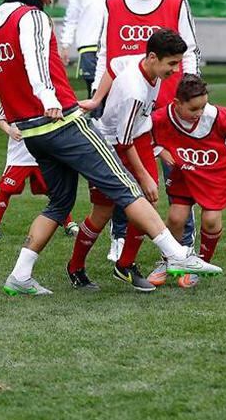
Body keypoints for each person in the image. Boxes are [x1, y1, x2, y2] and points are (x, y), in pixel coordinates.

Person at [0, 0, 220, 296]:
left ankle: (20, 276)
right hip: (59, 121)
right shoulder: (32, 17)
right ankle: (177, 254)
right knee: (124, 185)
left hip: (31, 132)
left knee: (59, 204)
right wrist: (48, 97)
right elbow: (34, 59)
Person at [93, 0, 201, 262]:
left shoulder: (176, 2)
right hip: (125, 106)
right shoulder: (113, 3)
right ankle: (120, 236)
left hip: (168, 108)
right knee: (123, 175)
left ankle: (184, 242)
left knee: (176, 173)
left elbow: (191, 50)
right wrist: (98, 96)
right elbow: (105, 53)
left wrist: (190, 93)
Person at [71, 29, 187, 292]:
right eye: (172, 63)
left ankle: (125, 265)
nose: (175, 70)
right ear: (153, 57)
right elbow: (124, 142)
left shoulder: (141, 62)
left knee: (148, 204)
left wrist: (96, 99)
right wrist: (143, 177)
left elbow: (113, 66)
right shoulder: (134, 91)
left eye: (178, 63)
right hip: (112, 145)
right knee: (102, 213)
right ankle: (75, 266)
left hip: (139, 138)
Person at [150, 75, 226, 288]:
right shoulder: (162, 117)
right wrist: (160, 150)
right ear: (177, 103)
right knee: (176, 218)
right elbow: (145, 135)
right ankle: (169, 260)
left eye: (203, 106)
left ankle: (200, 262)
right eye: (194, 109)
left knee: (211, 219)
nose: (200, 113)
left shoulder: (218, 117)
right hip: (185, 172)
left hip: (215, 172)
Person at [0, 105, 79, 240]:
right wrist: (10, 130)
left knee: (54, 190)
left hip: (43, 154)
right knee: (6, 189)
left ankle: (69, 224)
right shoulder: (12, 95)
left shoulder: (47, 95)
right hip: (19, 157)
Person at [59, 0, 123, 95]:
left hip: (109, 44)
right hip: (87, 44)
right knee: (92, 86)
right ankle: (94, 109)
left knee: (111, 86)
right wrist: (65, 45)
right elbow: (71, 18)